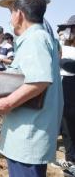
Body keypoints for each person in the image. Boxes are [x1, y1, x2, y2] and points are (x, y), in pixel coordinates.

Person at [0, 0, 63, 177]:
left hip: (28, 134)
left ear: (19, 14)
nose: (10, 18)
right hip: (29, 130)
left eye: (11, 12)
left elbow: (39, 81)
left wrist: (6, 103)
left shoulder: (35, 39)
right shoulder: (41, 37)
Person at [55, 15, 75, 174]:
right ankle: (70, 159)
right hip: (65, 86)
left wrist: (60, 61)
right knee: (67, 124)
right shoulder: (63, 47)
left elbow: (70, 65)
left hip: (71, 85)